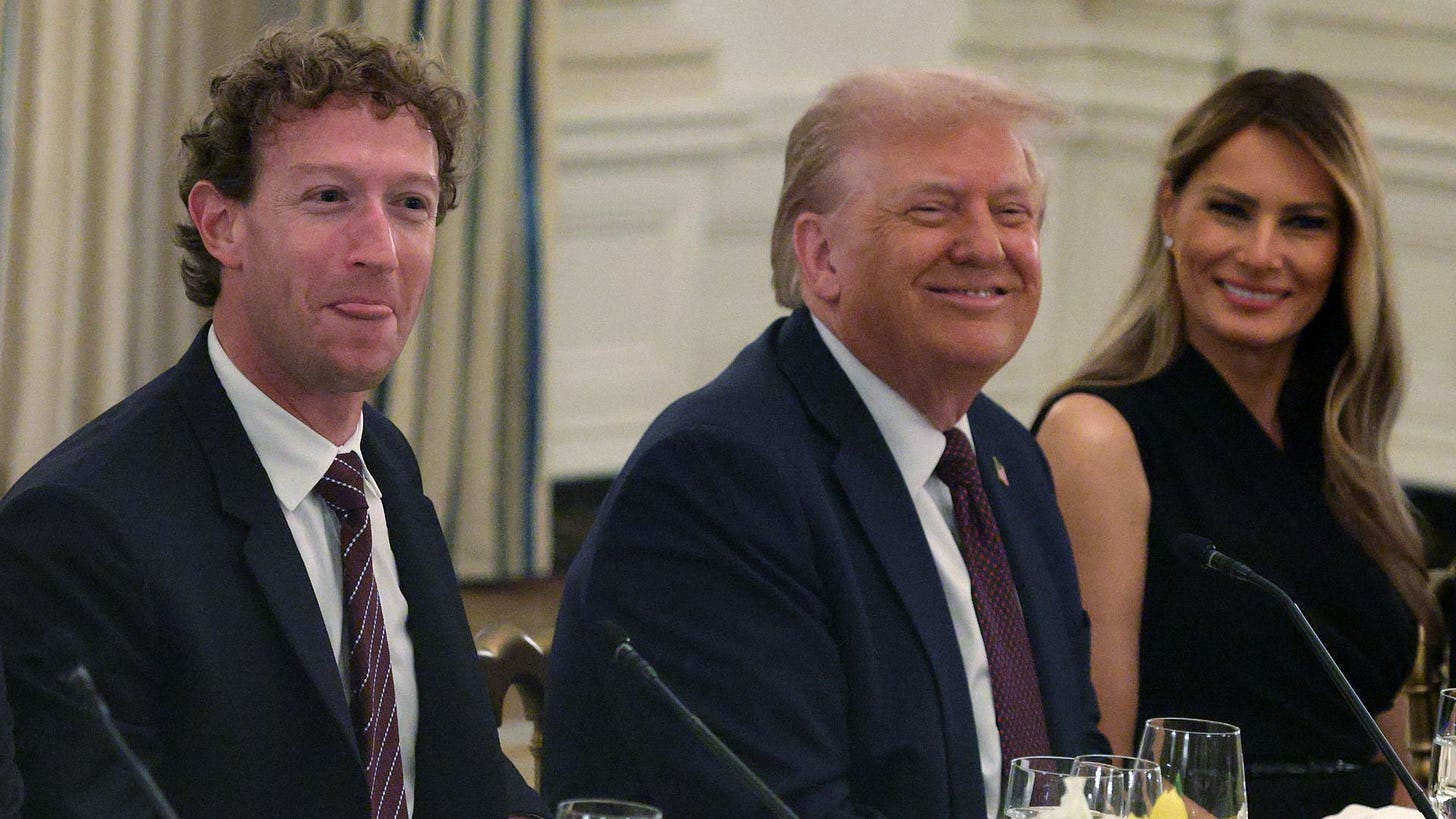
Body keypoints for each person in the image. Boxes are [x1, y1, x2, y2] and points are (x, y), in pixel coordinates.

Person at [0, 25, 546, 819]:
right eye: (329, 198)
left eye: (412, 205)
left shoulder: (381, 466)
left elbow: (463, 780)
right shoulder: (82, 530)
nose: (381, 250)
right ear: (222, 224)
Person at [542, 68, 1109, 818]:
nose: (985, 245)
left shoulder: (1007, 457)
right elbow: (785, 809)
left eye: (1013, 211)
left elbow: (1072, 765)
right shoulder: (717, 479)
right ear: (822, 257)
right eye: (934, 209)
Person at [1033, 68, 1438, 817]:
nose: (1260, 253)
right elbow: (1100, 779)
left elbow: (1389, 761)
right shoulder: (1097, 437)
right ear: (1169, 210)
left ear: (1348, 245)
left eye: (1305, 222)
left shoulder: (1342, 444)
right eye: (1231, 210)